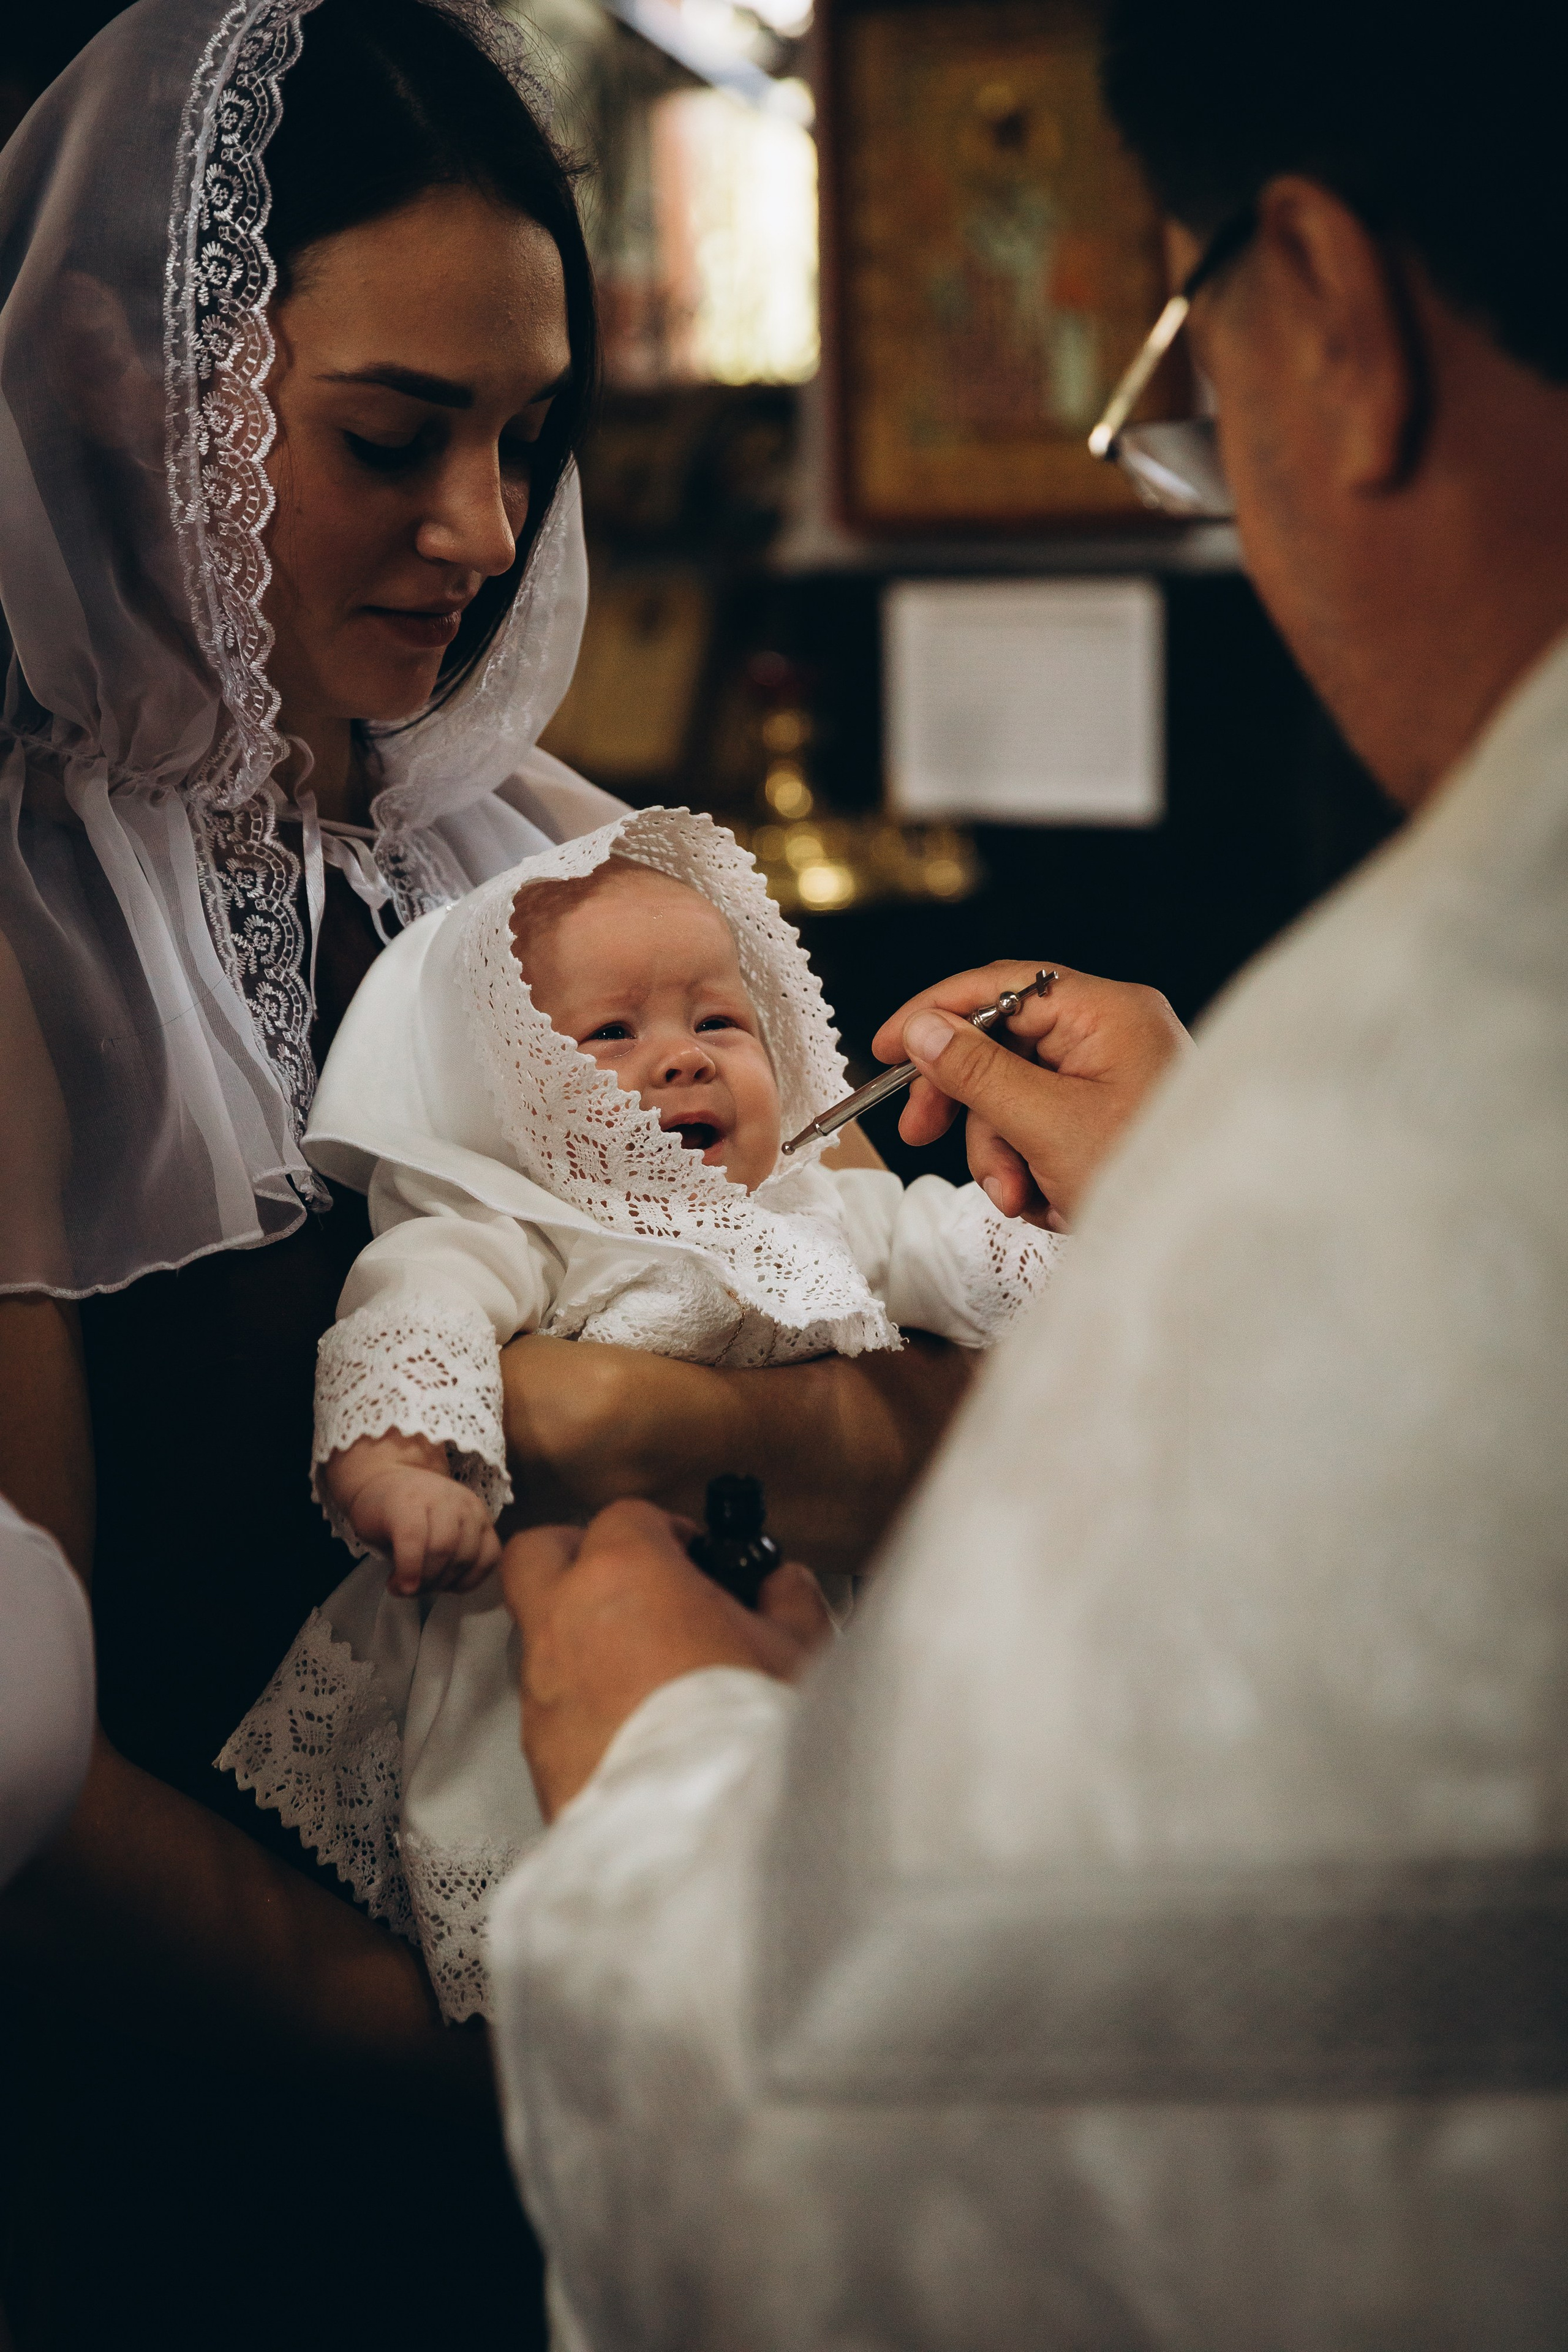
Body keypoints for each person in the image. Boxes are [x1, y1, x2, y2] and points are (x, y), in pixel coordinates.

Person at [484, 2, 1568, 2344]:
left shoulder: (1418, 1096)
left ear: (1337, 316)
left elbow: (899, 2163)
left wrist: (665, 1753)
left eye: (1187, 361)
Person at [0, 4, 965, 2344]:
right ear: (134, 387)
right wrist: (436, 2046)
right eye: (392, 437)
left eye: (528, 436)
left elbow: (880, 1360)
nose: (485, 529)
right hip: (240, 2104)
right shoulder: (25, 934)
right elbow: (22, 1770)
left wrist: (673, 1430)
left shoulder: (546, 867)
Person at [218, 810, 1056, 2021]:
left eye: (718, 1020)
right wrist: (406, 1468)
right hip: (571, 1655)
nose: (683, 1057)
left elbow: (976, 1257)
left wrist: (1085, 1239)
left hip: (818, 1638)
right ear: (505, 1097)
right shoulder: (518, 1227)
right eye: (609, 1035)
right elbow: (414, 1315)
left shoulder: (817, 1209)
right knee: (606, 1958)